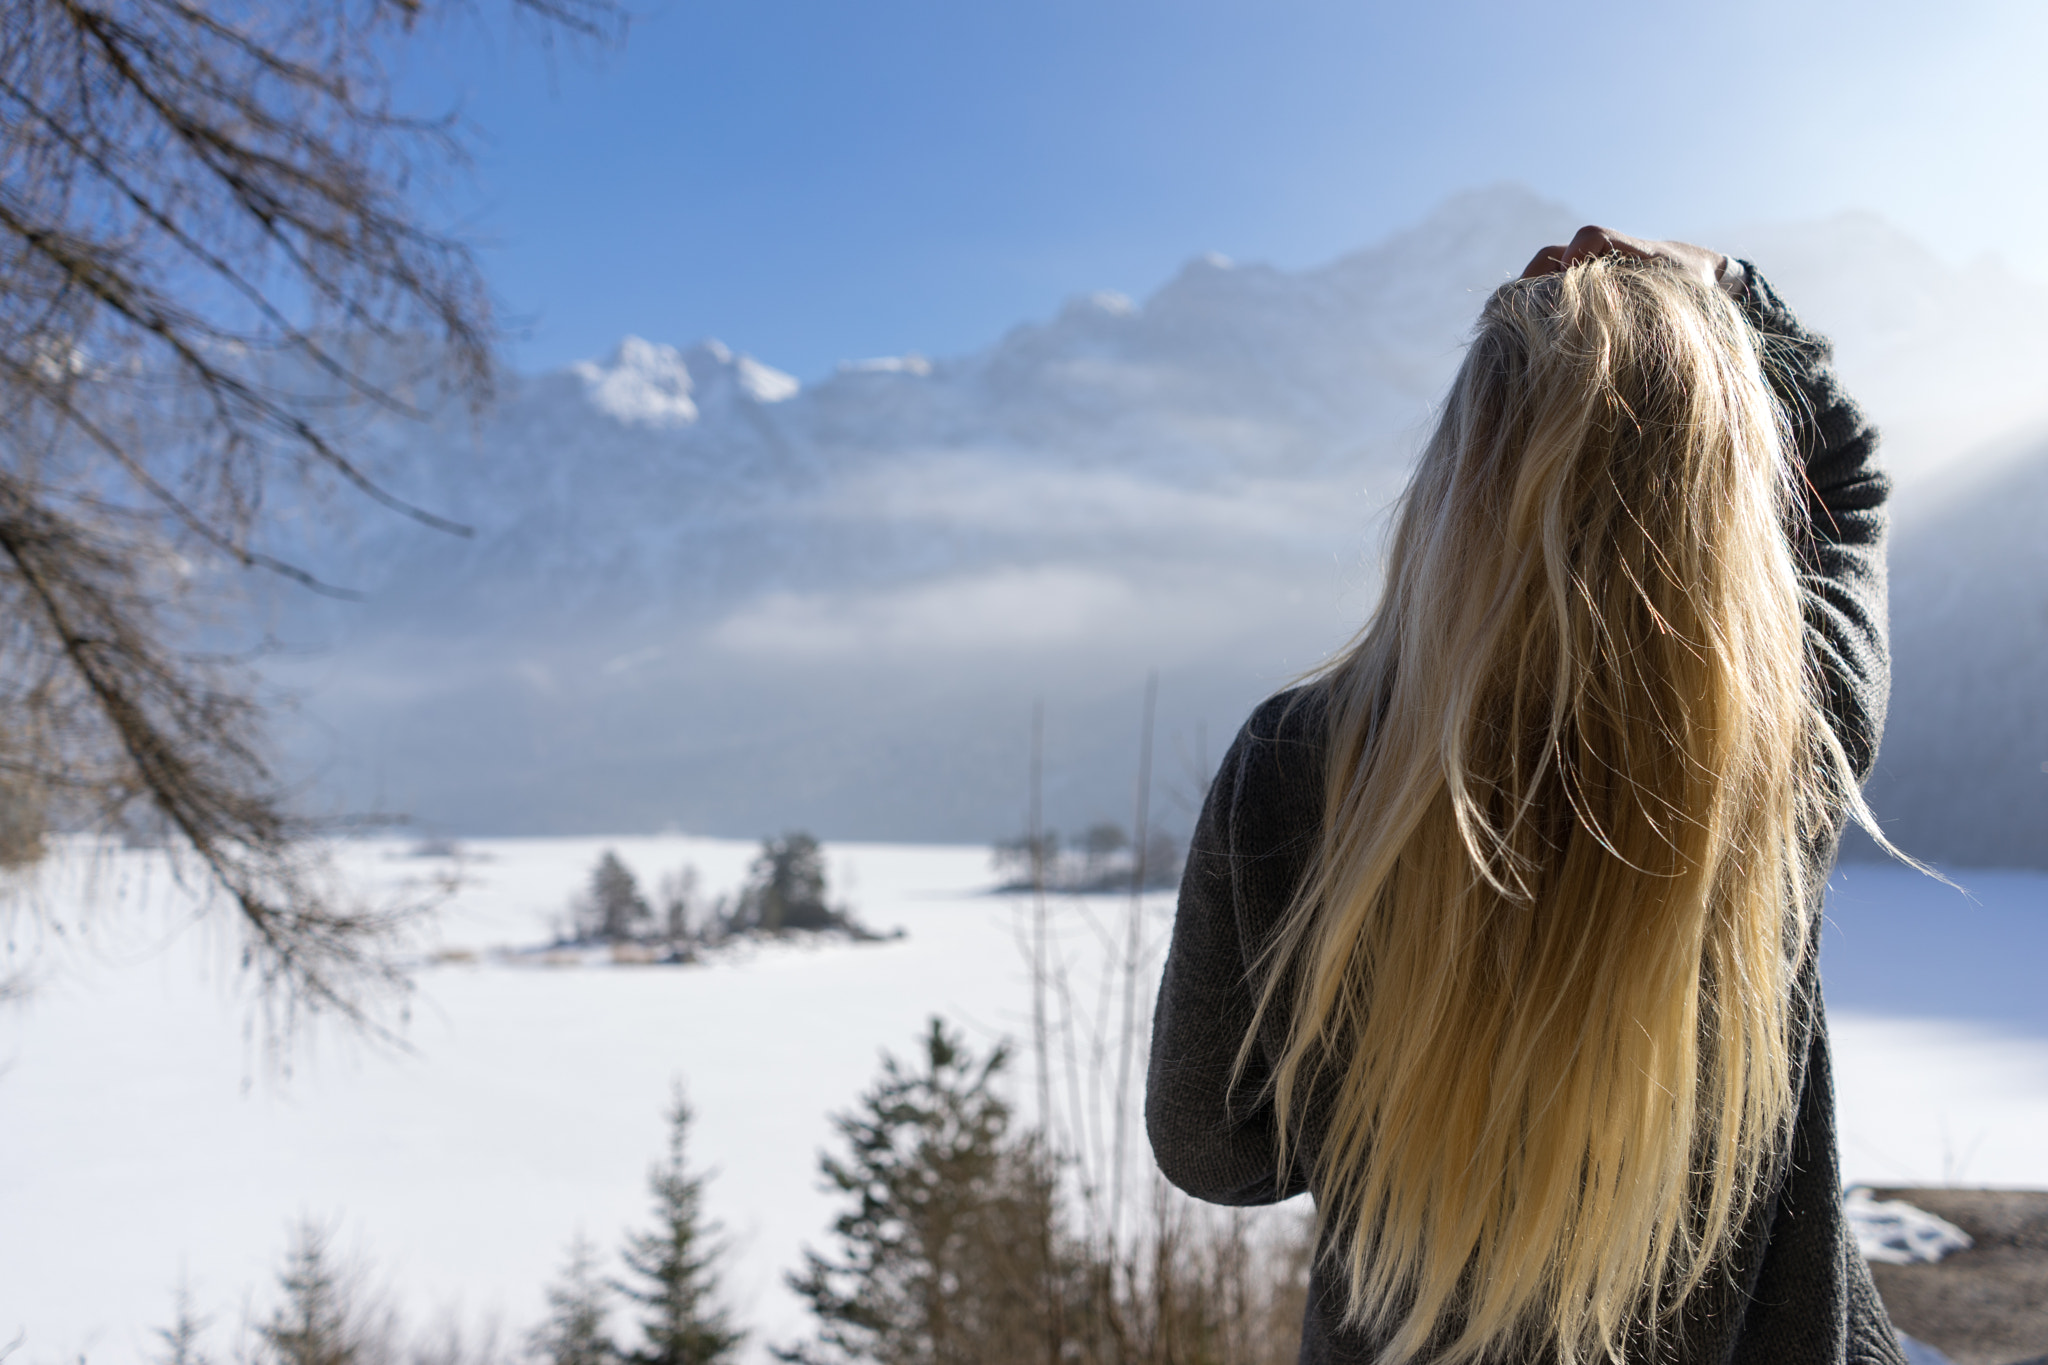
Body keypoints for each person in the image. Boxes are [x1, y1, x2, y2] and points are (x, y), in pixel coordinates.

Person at [1146, 226, 1909, 1365]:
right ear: (1723, 488)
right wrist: (1735, 302)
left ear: (1452, 482)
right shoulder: (1776, 740)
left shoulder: (1301, 763)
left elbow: (1213, 1146)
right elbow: (1844, 490)